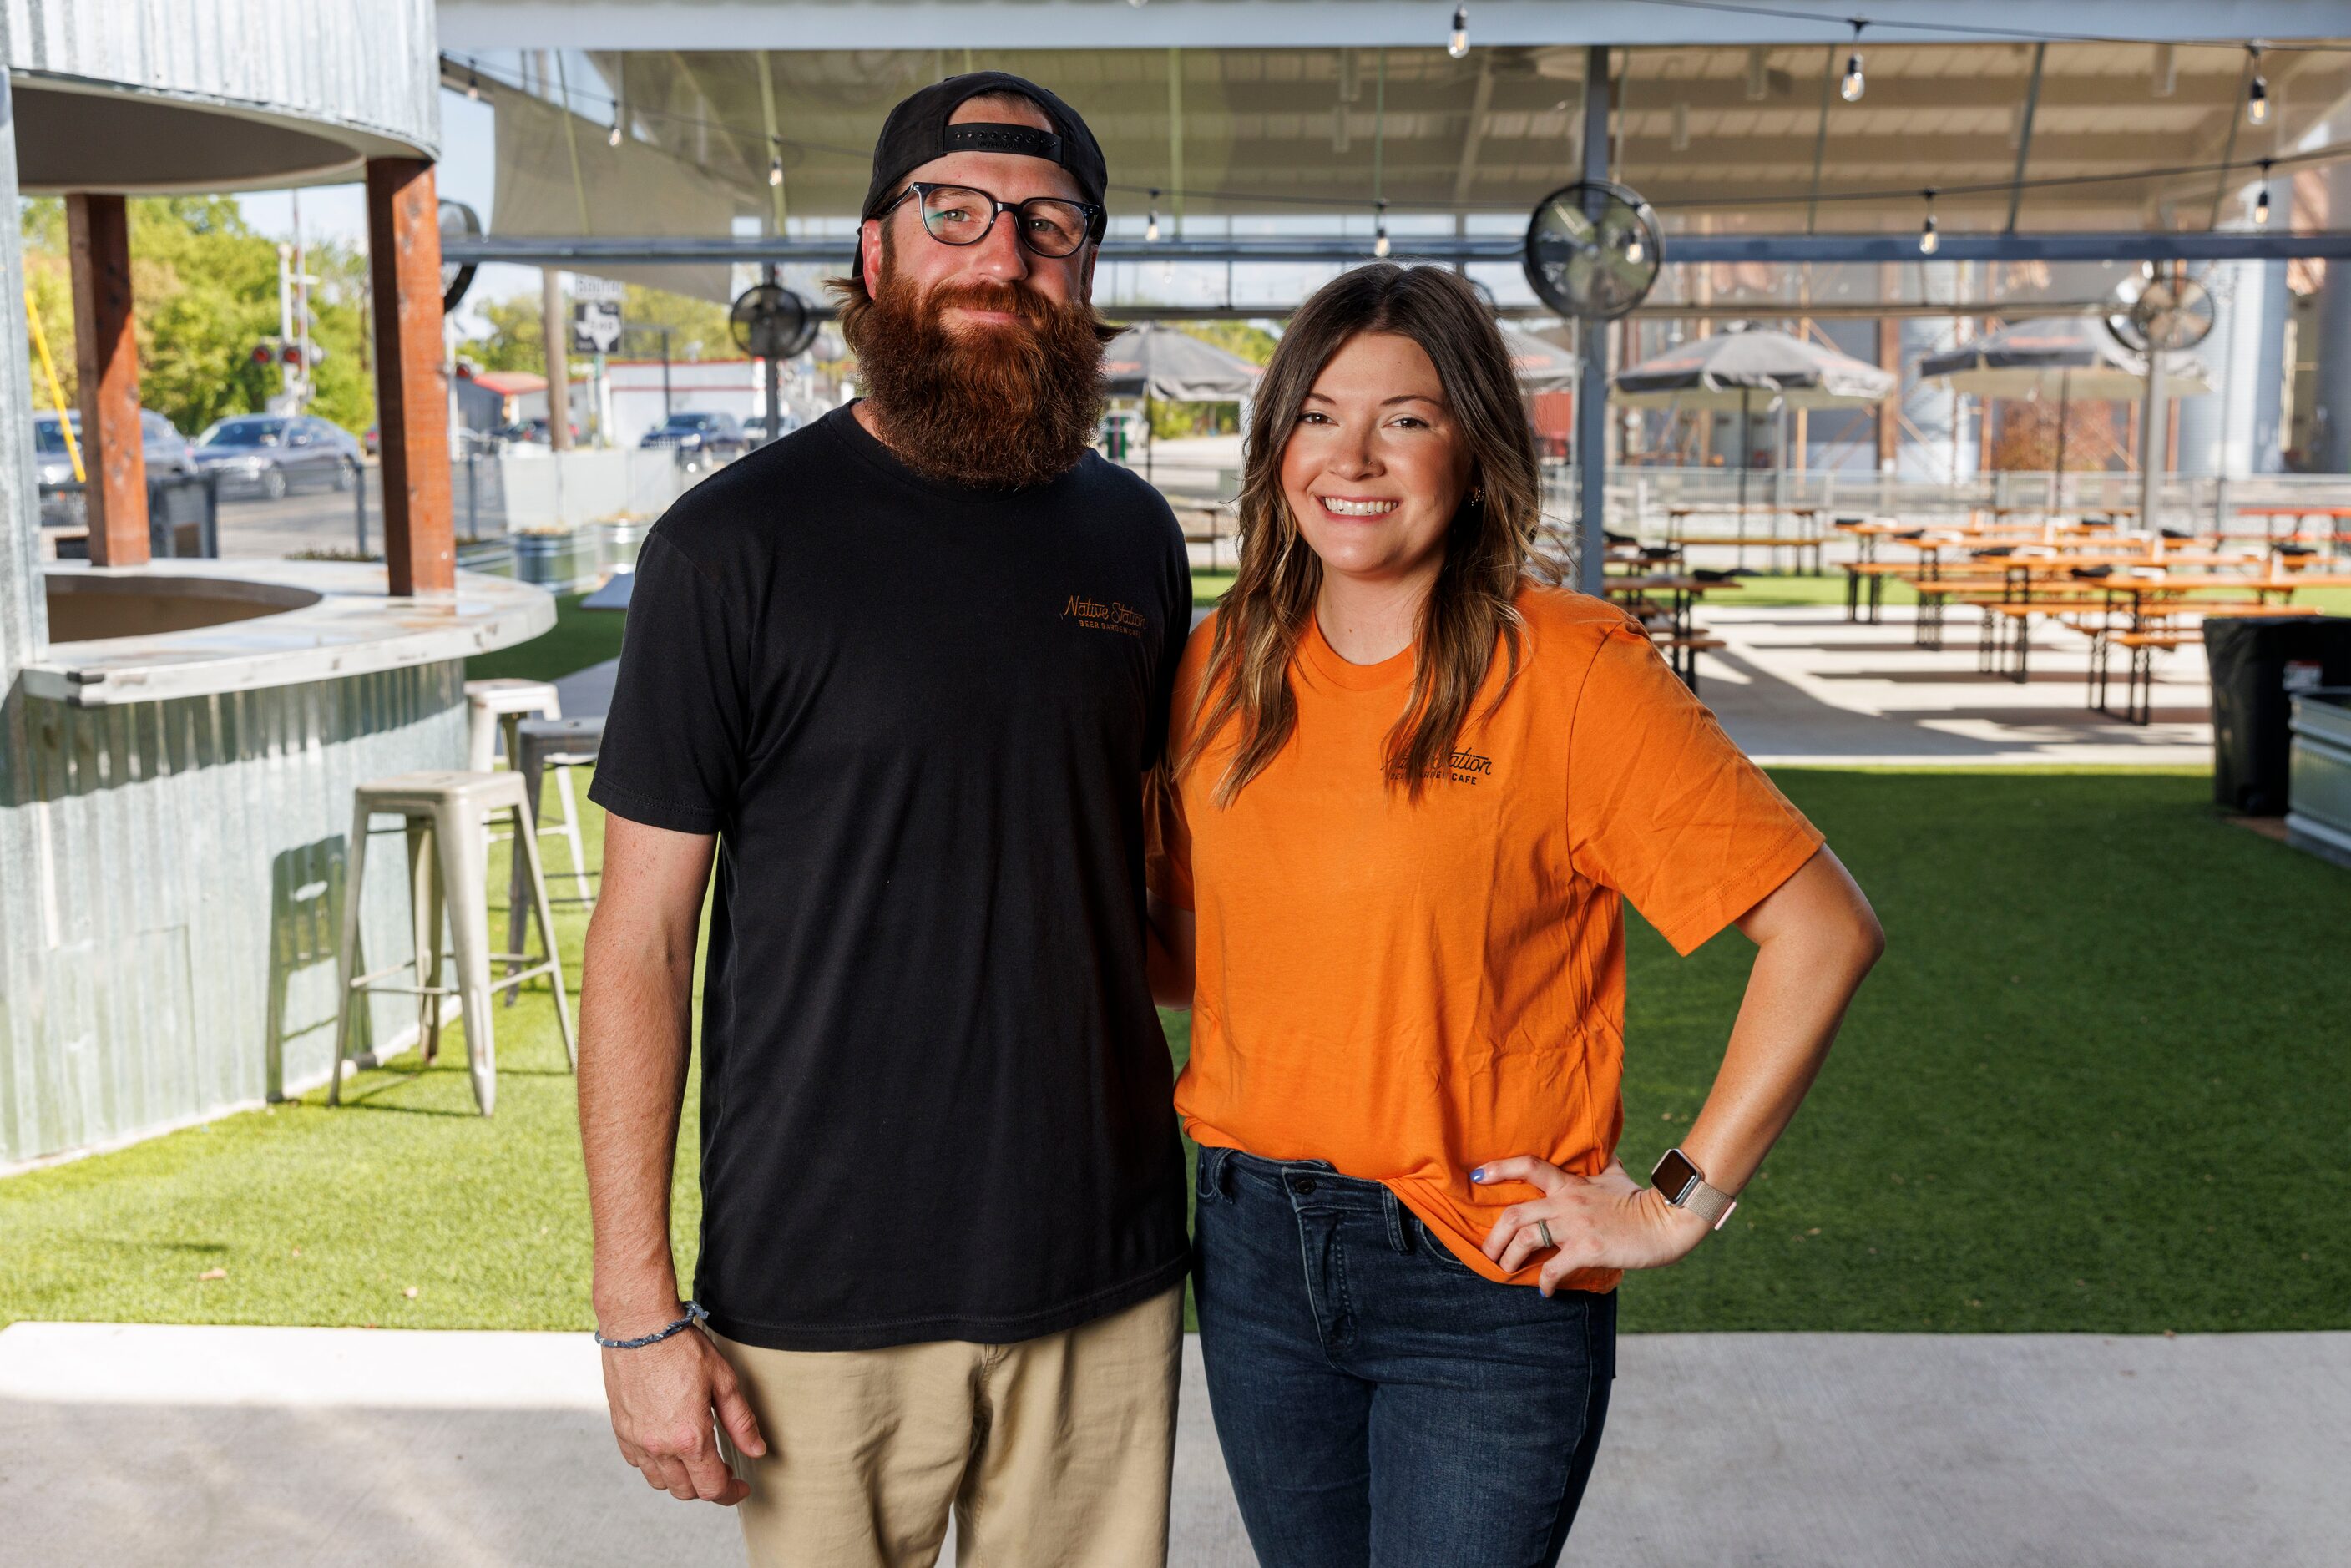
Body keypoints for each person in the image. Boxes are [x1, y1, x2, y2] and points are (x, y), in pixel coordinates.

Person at [1147, 262, 1885, 1568]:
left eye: (1408, 418)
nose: (1353, 456)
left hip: (1479, 1275)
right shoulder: (1220, 666)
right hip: (1253, 1254)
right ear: (1276, 448)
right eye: (1317, 414)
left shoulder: (1572, 673)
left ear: (1476, 447)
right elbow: (1197, 947)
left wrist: (1669, 1204)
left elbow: (1823, 929)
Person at [577, 73, 1192, 1568]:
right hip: (818, 1293)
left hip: (1101, 1274)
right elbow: (644, 941)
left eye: (1047, 226)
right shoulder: (728, 549)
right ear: (875, 253)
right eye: (955, 213)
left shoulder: (1137, 536)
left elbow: (1161, 890)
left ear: (1086, 271)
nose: (1000, 256)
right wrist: (636, 1312)